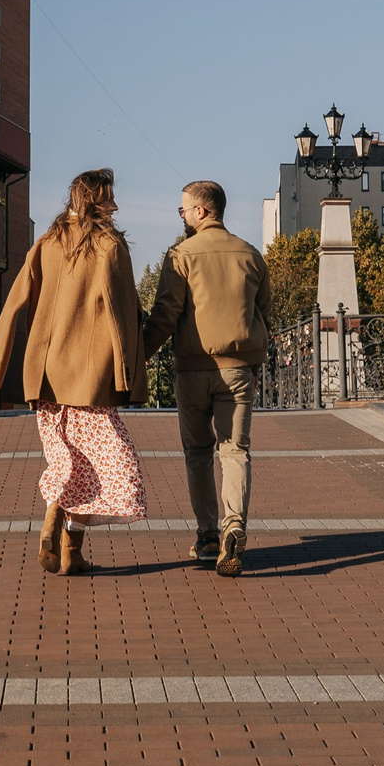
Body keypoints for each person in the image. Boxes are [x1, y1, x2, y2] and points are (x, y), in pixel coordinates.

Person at [0, 168, 146, 576]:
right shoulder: (109, 245)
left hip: (48, 373)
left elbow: (15, 298)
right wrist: (131, 372)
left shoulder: (47, 242)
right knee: (109, 464)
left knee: (68, 460)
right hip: (92, 377)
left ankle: (63, 542)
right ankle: (63, 534)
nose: (115, 206)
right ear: (94, 201)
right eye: (109, 198)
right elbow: (125, 311)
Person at [141, 180, 272, 577]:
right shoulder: (250, 254)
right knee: (235, 452)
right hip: (237, 370)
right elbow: (264, 312)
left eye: (183, 210)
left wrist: (138, 357)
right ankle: (235, 526)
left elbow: (165, 314)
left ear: (201, 211)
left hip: (193, 369)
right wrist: (253, 360)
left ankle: (207, 536)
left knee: (198, 454)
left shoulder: (180, 255)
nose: (181, 216)